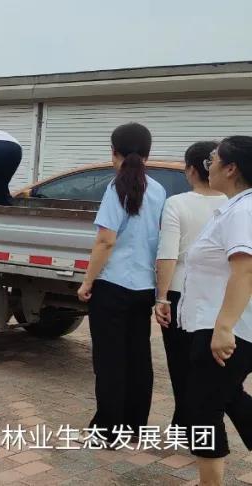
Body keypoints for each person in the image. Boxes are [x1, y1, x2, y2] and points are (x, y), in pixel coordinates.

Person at [76, 122, 166, 446]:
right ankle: (134, 425)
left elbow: (105, 241)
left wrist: (87, 282)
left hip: (112, 287)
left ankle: (108, 430)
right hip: (143, 288)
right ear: (148, 153)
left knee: (110, 360)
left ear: (114, 152)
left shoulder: (115, 187)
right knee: (138, 357)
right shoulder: (159, 190)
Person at [180, 136, 252, 486]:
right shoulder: (234, 207)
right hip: (217, 324)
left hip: (226, 329)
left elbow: (245, 269)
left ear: (231, 167)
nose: (207, 165)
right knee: (229, 397)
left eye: (213, 159)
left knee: (202, 412)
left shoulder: (245, 210)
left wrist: (224, 327)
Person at [153, 141, 228, 435]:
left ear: (191, 170)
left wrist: (161, 298)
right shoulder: (236, 204)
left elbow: (168, 254)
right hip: (221, 294)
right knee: (212, 364)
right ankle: (206, 425)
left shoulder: (177, 203)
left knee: (180, 362)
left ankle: (184, 424)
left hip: (180, 293)